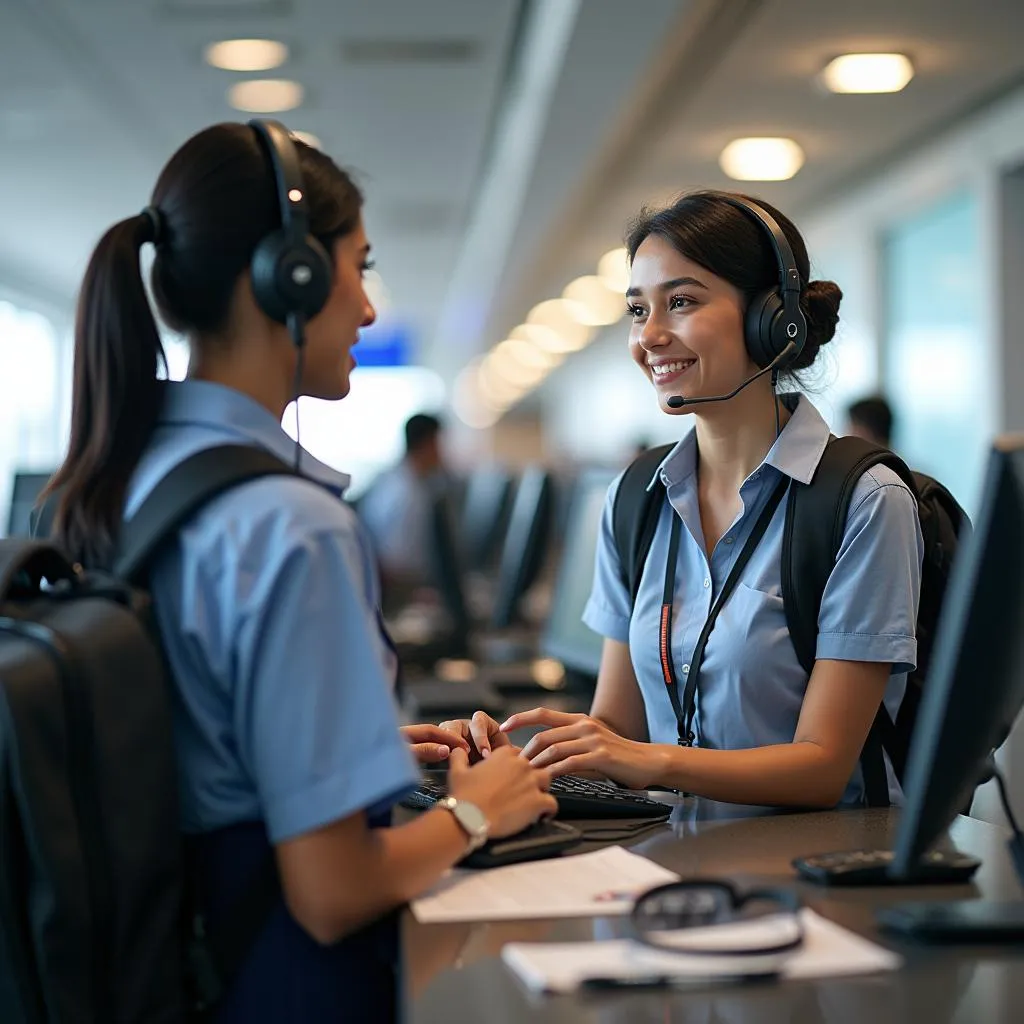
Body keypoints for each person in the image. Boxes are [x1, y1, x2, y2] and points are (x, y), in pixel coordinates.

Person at [42, 120, 555, 1020]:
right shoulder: (292, 527)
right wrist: (478, 812)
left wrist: (343, 756)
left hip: (173, 962)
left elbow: (171, 742)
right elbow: (333, 893)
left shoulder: (120, 479)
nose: (366, 307)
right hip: (281, 983)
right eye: (358, 267)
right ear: (292, 276)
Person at [441, 191, 923, 810]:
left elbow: (823, 767)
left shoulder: (862, 502)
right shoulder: (636, 496)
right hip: (670, 856)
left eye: (682, 302)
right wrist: (518, 754)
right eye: (639, 311)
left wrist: (654, 761)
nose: (651, 336)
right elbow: (618, 726)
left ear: (772, 318)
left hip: (813, 868)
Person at [358, 412, 450, 608]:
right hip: (398, 592)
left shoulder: (396, 480)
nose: (443, 453)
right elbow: (398, 565)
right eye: (440, 444)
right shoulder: (409, 495)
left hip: (389, 585)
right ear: (429, 444)